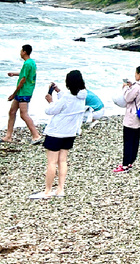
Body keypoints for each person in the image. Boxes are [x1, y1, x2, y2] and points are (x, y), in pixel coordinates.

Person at [30, 70, 87, 199]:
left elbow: (51, 110)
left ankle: (47, 191)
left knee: (51, 162)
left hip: (56, 132)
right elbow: (68, 103)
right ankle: (60, 189)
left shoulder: (67, 97)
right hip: (70, 133)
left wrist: (50, 100)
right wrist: (58, 91)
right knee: (63, 161)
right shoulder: (82, 96)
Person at [112, 65, 140, 173]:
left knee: (128, 141)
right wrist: (131, 86)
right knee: (135, 140)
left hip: (132, 117)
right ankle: (131, 162)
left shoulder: (137, 86)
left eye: (136, 73)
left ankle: (125, 165)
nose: (135, 75)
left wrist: (126, 87)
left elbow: (127, 98)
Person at [3, 44, 42, 144]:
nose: (20, 52)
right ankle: (8, 136)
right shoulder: (31, 62)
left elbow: (23, 80)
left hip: (24, 92)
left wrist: (13, 94)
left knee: (23, 114)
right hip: (22, 92)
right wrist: (14, 74)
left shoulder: (27, 64)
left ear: (24, 52)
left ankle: (36, 135)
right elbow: (25, 74)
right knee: (12, 112)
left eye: (21, 50)